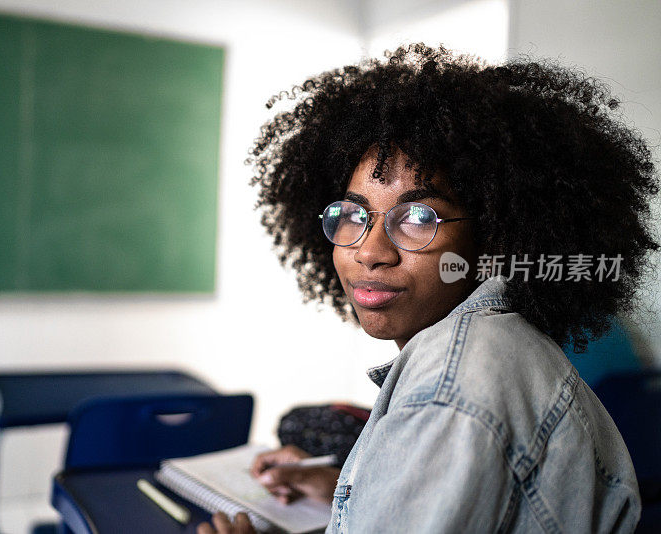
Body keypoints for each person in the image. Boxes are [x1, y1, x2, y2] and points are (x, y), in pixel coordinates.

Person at [198, 43, 658, 533]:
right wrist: (348, 488)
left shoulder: (453, 388)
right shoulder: (494, 346)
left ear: (494, 236)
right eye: (354, 215)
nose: (370, 251)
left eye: (419, 217)